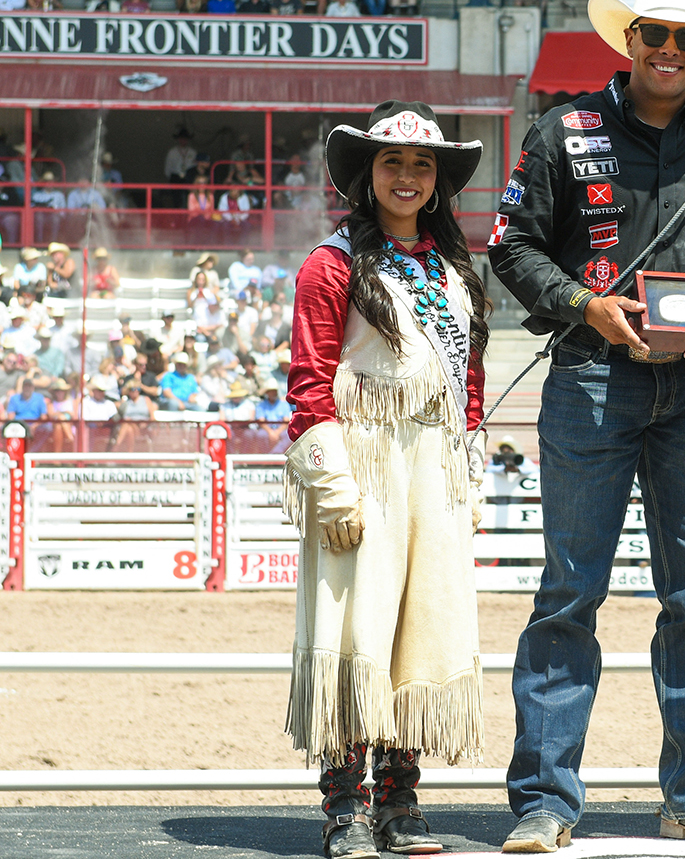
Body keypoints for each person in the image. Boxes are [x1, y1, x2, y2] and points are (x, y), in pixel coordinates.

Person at [488, 0, 685, 852]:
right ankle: (544, 801)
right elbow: (511, 246)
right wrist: (586, 307)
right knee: (569, 592)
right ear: (628, 40)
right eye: (656, 34)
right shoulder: (560, 131)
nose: (670, 50)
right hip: (588, 376)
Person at [287, 100, 489, 859]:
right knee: (353, 627)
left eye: (422, 164)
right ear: (366, 175)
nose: (407, 177)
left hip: (431, 464)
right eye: (392, 162)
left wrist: (468, 462)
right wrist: (331, 482)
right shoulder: (331, 263)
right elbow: (309, 379)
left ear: (438, 180)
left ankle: (401, 801)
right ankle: (346, 807)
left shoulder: (453, 266)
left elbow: (465, 379)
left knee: (420, 625)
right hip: (363, 461)